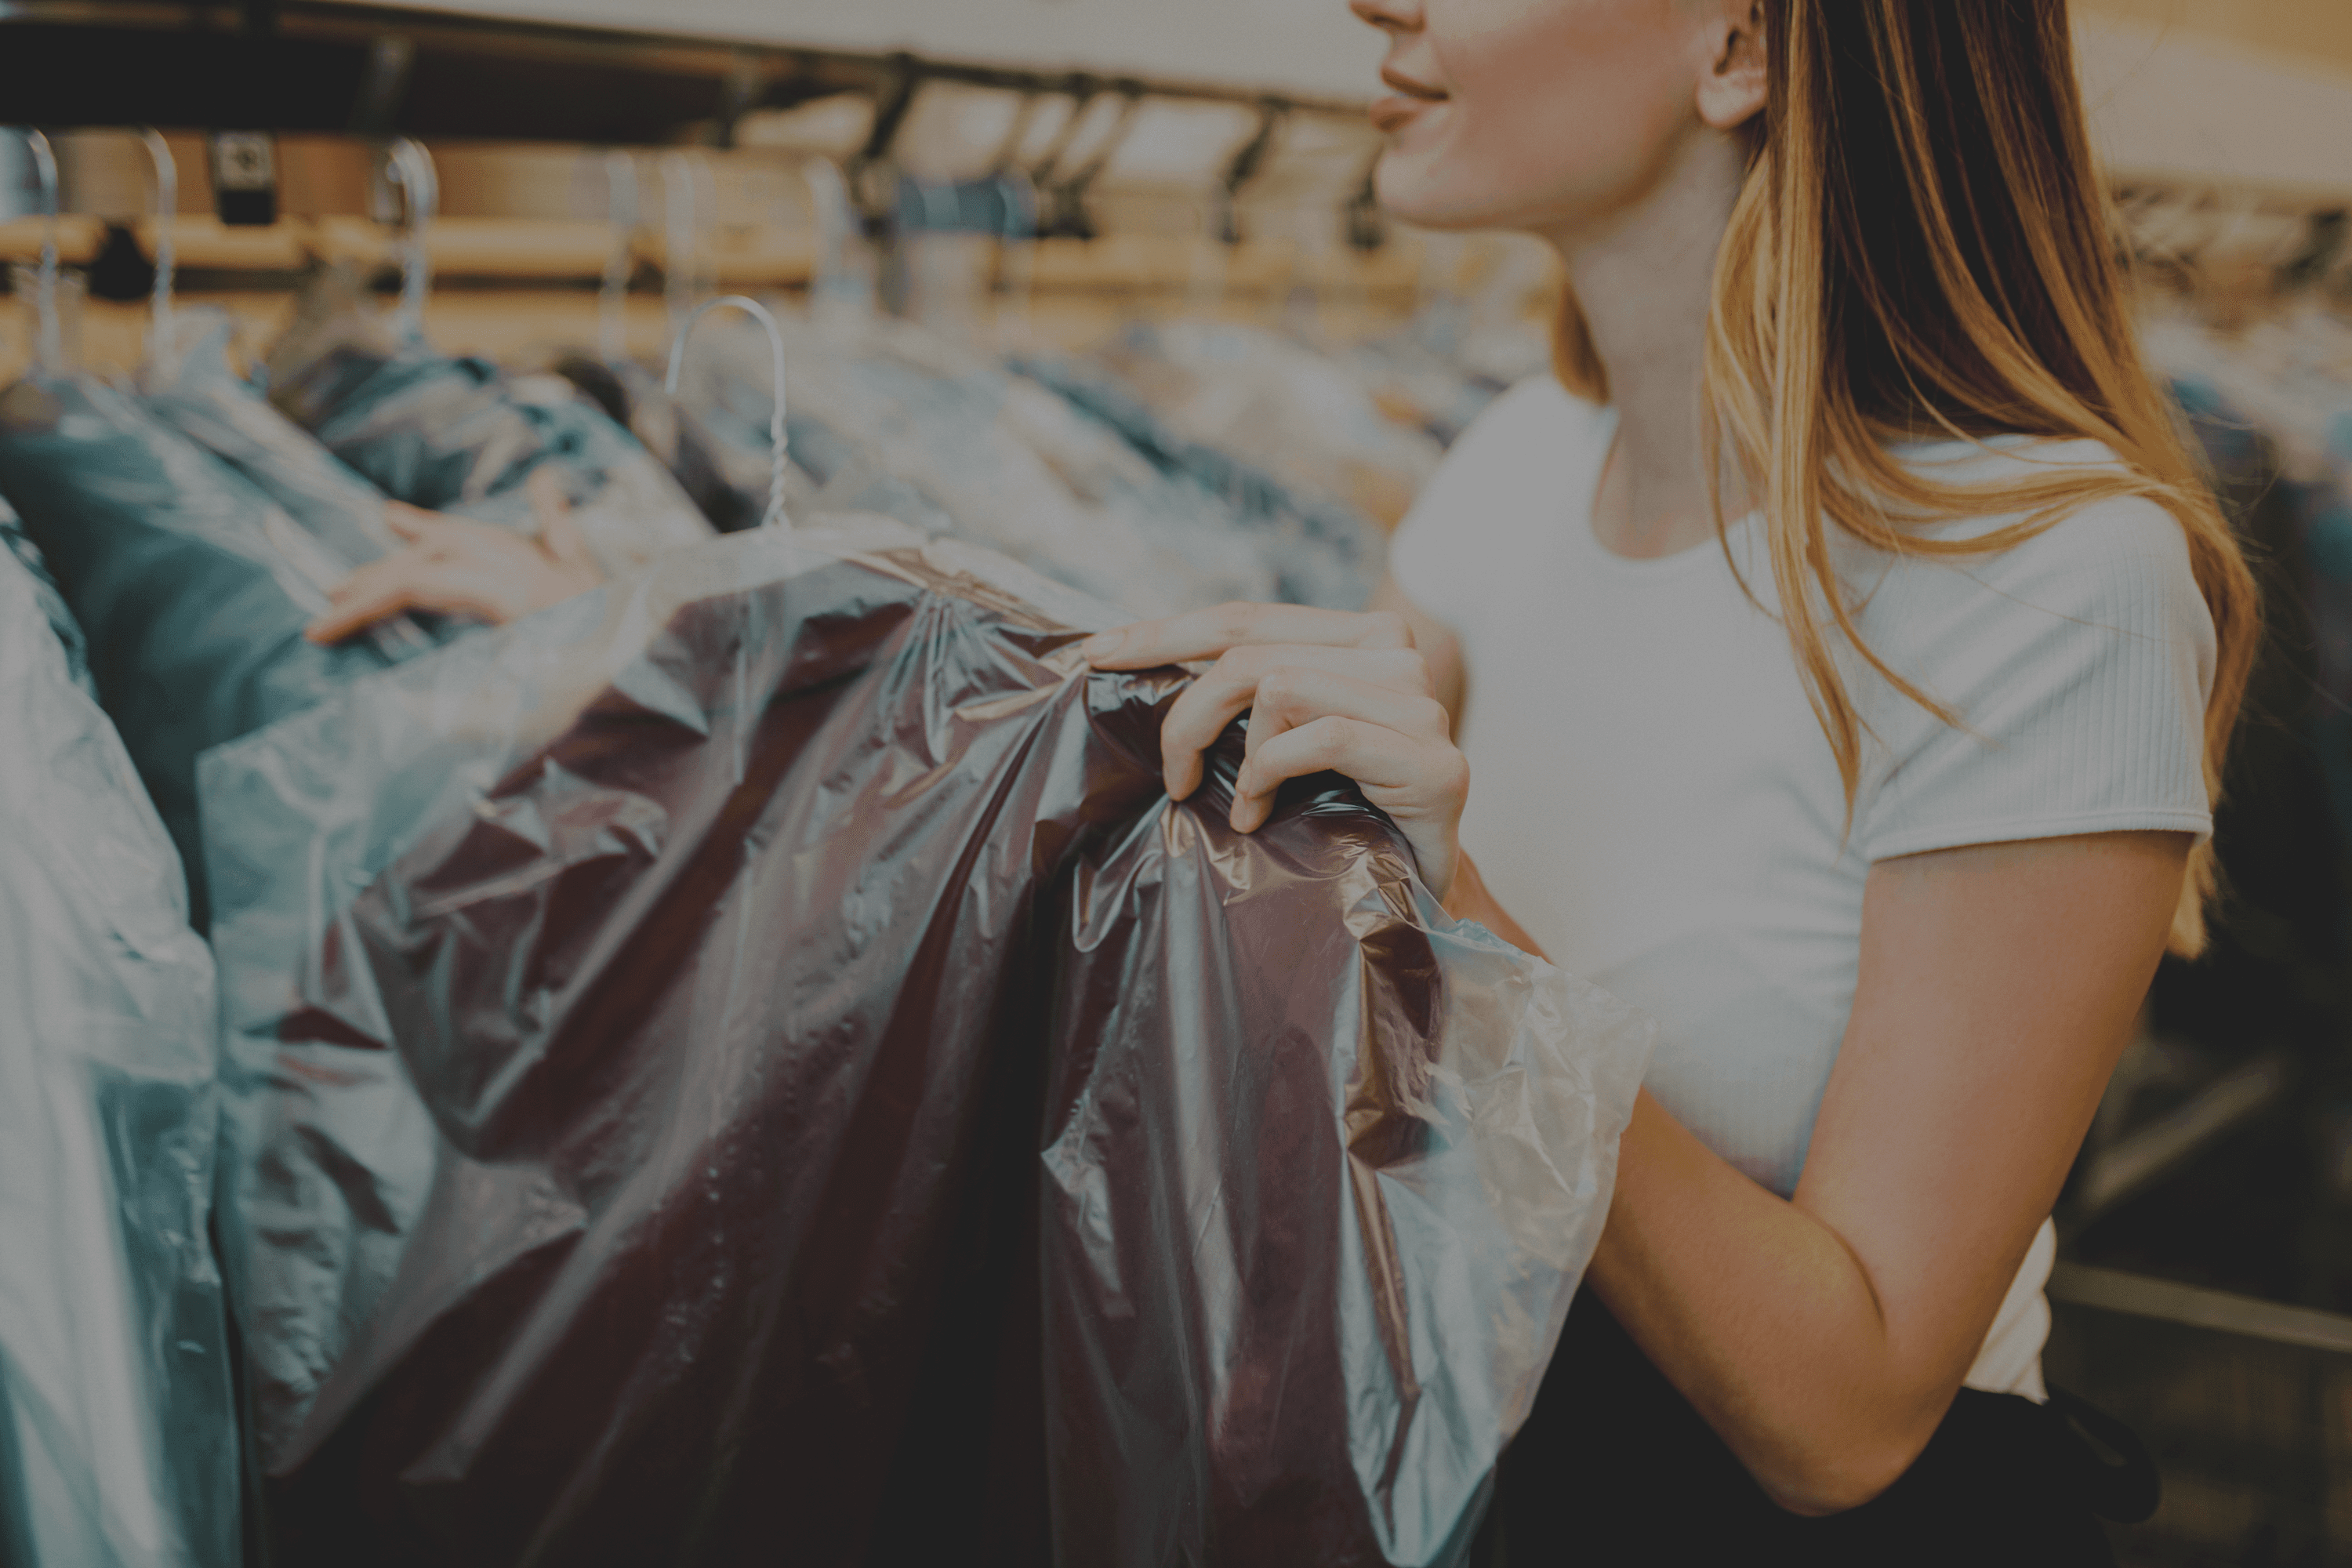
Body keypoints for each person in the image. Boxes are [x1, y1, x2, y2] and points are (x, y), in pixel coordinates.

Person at [1083, 1, 2258, 1561]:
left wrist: (1459, 918)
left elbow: (1843, 1424)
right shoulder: (1511, 468)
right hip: (1482, 1483)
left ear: (1741, 49)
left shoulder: (2052, 577)